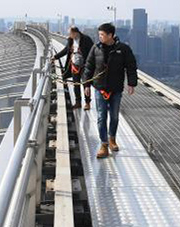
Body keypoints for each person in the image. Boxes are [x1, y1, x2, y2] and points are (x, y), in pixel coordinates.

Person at [82, 22, 137, 159]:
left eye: (102, 34)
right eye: (99, 34)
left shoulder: (123, 49)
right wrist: (86, 85)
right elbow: (88, 66)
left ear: (110, 35)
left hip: (116, 88)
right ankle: (104, 144)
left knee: (114, 116)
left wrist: (131, 84)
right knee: (101, 117)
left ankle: (112, 138)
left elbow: (131, 66)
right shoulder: (96, 48)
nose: (99, 37)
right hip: (100, 88)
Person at [52, 26, 94, 110]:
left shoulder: (86, 39)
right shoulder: (70, 40)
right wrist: (55, 57)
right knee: (76, 84)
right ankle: (78, 102)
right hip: (74, 65)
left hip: (85, 66)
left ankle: (87, 103)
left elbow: (92, 51)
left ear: (75, 33)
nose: (69, 35)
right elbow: (65, 50)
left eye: (70, 33)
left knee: (86, 84)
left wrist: (91, 64)